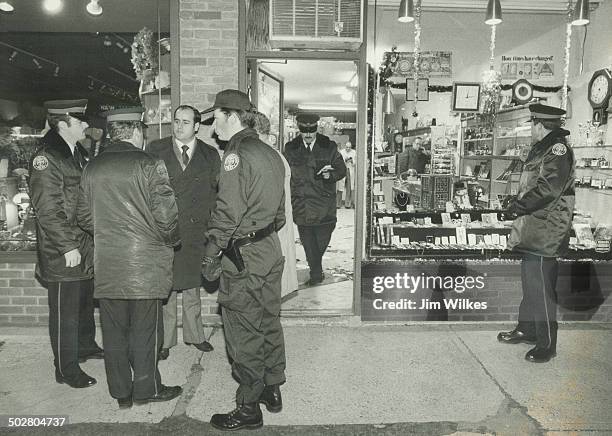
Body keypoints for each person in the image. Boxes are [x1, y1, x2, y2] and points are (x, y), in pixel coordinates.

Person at [76, 107, 182, 408]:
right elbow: (167, 216)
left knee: (112, 332)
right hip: (145, 263)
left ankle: (121, 393)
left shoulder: (92, 167)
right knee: (145, 332)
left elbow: (82, 217)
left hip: (108, 261)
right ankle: (146, 390)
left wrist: (108, 232)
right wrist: (172, 242)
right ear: (136, 131)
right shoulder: (150, 164)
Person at [200, 90, 286, 431]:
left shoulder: (235, 155)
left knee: (242, 329)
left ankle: (249, 407)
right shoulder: (269, 153)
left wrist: (212, 253)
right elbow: (279, 212)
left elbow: (227, 211)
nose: (212, 127)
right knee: (268, 320)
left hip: (243, 256)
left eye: (216, 118)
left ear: (233, 116)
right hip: (268, 249)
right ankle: (272, 386)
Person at [29, 99, 103, 390]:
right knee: (66, 312)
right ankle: (66, 368)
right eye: (80, 120)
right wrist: (67, 247)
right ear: (63, 123)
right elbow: (47, 209)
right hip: (65, 251)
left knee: (83, 304)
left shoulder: (76, 152)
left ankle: (85, 347)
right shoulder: (47, 157)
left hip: (82, 245)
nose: (86, 125)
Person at [498, 103, 575, 363]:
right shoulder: (542, 149)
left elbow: (548, 190)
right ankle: (527, 329)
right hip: (533, 226)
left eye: (532, 124)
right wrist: (516, 201)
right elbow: (533, 184)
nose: (530, 129)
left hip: (546, 230)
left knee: (541, 288)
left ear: (540, 125)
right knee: (530, 284)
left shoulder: (558, 151)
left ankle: (547, 344)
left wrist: (518, 206)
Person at [147, 105, 220, 361]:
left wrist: (213, 231)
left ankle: (196, 335)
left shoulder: (210, 155)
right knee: (167, 287)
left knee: (192, 286)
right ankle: (165, 340)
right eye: (176, 121)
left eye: (185, 122)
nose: (179, 126)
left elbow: (215, 195)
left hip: (196, 230)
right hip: (166, 229)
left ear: (197, 126)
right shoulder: (155, 150)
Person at [284, 113, 346, 286]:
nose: (309, 134)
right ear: (299, 129)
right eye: (305, 130)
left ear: (317, 128)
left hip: (324, 205)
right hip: (302, 204)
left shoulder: (329, 146)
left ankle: (315, 267)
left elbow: (342, 170)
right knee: (308, 242)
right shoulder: (290, 148)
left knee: (322, 239)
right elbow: (284, 174)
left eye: (311, 130)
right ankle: (316, 273)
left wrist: (330, 175)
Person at [253, 111, 298, 296]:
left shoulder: (266, 157)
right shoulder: (273, 154)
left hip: (269, 232)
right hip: (274, 229)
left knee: (266, 292)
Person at [338, 140, 356, 208]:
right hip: (343, 170)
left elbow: (355, 163)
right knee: (340, 188)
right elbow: (338, 162)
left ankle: (347, 204)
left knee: (349, 188)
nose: (348, 149)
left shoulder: (354, 152)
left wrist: (352, 161)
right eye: (347, 147)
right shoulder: (341, 152)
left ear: (351, 147)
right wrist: (344, 161)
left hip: (350, 170)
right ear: (345, 146)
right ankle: (338, 204)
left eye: (349, 147)